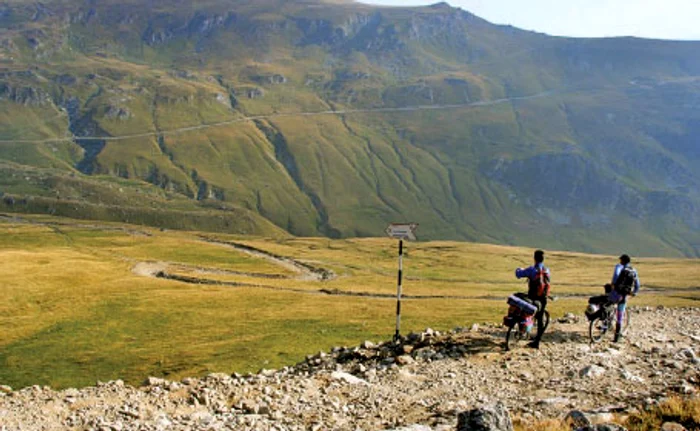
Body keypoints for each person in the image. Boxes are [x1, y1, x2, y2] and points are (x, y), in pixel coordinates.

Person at [515, 249, 551, 349]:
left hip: (533, 297)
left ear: (534, 258)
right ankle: (537, 342)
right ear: (543, 259)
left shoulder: (532, 270)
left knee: (524, 310)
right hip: (543, 298)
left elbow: (518, 274)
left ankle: (522, 331)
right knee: (540, 320)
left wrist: (519, 269)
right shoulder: (547, 270)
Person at [609, 253, 640, 342]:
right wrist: (634, 292)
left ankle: (604, 327)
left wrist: (613, 286)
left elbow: (615, 277)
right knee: (620, 315)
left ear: (622, 261)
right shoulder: (633, 270)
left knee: (608, 306)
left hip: (615, 294)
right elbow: (637, 285)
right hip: (624, 295)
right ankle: (617, 337)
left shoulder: (619, 267)